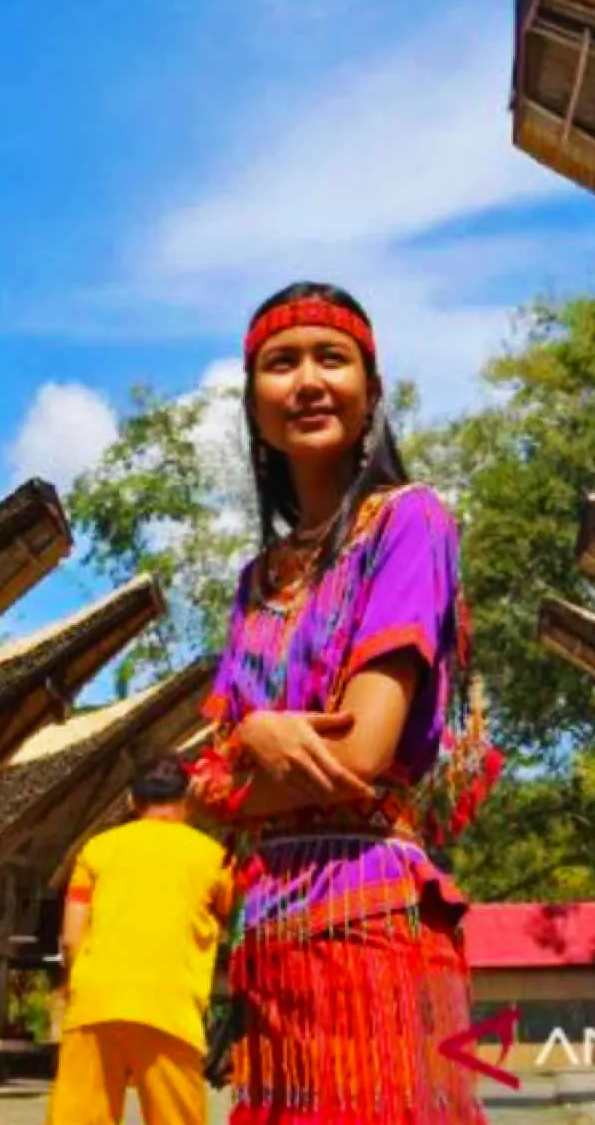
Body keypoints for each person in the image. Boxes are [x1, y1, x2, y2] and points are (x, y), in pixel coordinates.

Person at [186, 283, 500, 1124]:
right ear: (254, 405)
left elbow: (359, 755)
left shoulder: (410, 522)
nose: (308, 382)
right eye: (281, 364)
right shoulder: (256, 582)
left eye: (333, 358)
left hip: (369, 925)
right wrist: (255, 733)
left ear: (372, 391)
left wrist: (237, 769)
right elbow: (200, 792)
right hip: (269, 942)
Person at [46, 758, 232, 1125]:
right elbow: (228, 924)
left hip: (95, 1002)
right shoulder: (214, 858)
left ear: (133, 800)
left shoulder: (97, 849)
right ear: (187, 799)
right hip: (170, 1005)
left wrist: (77, 985)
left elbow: (70, 939)